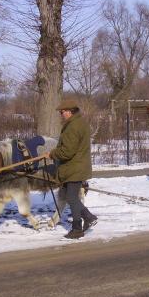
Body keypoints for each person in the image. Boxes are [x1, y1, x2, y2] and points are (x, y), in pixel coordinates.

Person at [45, 99, 97, 239]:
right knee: (71, 197)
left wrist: (52, 154)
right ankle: (84, 220)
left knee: (71, 197)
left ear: (69, 111)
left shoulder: (73, 127)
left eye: (62, 112)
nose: (61, 115)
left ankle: (80, 225)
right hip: (78, 166)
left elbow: (67, 151)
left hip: (74, 167)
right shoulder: (80, 123)